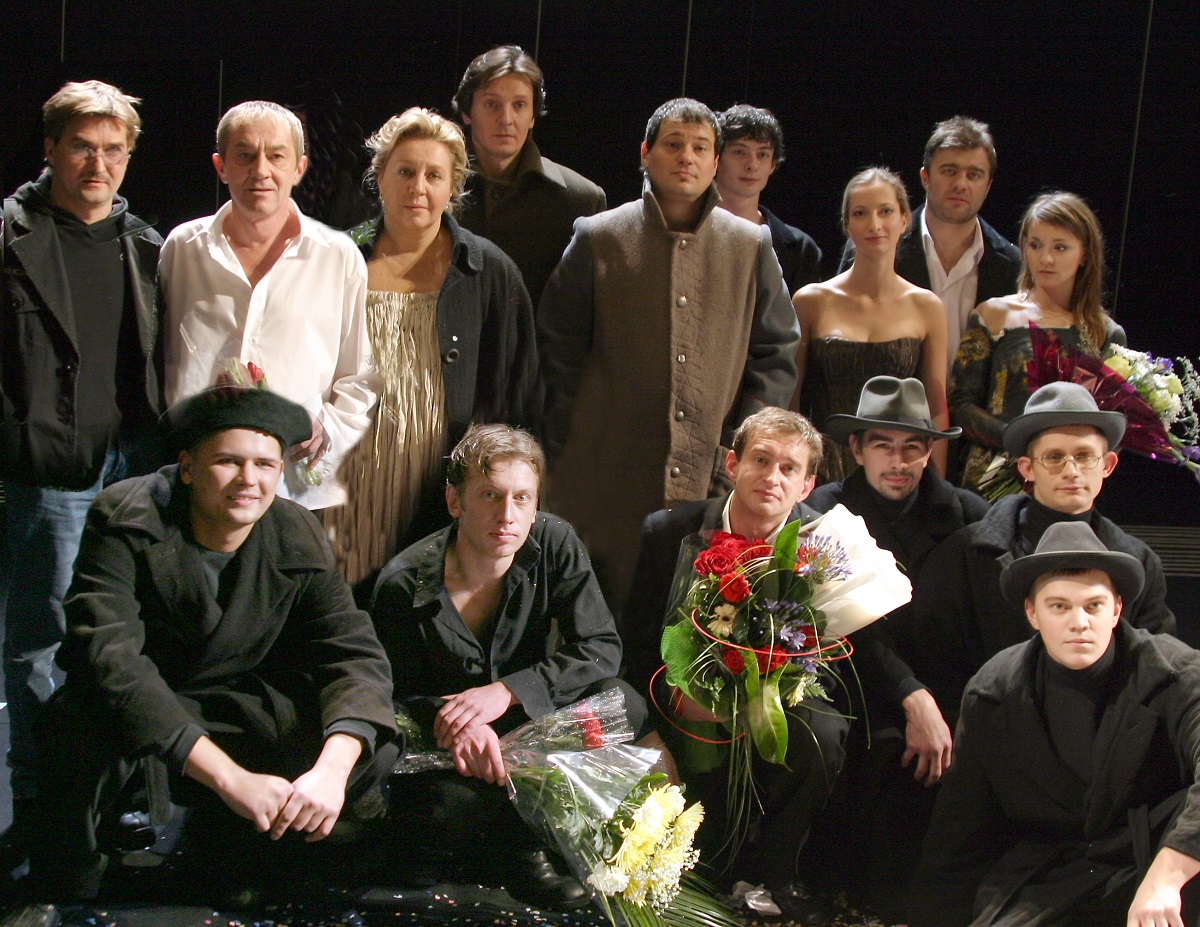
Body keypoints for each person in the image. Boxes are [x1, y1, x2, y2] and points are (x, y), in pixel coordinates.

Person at [29, 386, 398, 902]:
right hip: (147, 702)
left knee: (361, 740)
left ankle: (253, 858)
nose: (249, 480)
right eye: (229, 461)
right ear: (187, 467)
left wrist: (331, 771)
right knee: (77, 729)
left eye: (265, 465)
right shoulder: (127, 516)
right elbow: (111, 659)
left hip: (238, 701)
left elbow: (352, 651)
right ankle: (63, 892)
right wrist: (231, 780)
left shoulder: (295, 530)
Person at [538, 98, 799, 611]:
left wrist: (740, 449)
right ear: (646, 153)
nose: (687, 157)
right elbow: (557, 353)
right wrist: (582, 446)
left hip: (713, 474)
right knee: (608, 612)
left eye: (701, 148)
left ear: (716, 161)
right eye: (674, 144)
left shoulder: (750, 245)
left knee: (698, 620)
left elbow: (777, 354)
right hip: (609, 478)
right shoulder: (599, 236)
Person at [371, 424, 642, 910]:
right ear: (455, 501)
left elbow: (601, 646)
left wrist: (509, 691)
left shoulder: (554, 541)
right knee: (436, 802)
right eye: (490, 495)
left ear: (536, 507)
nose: (507, 516)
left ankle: (500, 831)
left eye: (522, 498)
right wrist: (458, 724)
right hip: (449, 741)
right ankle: (518, 843)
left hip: (528, 719)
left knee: (624, 703)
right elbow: (389, 695)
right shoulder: (403, 584)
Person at [0, 80, 165, 867]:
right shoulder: (10, 235)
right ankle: (42, 800)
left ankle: (119, 793)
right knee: (45, 637)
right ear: (50, 148)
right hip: (48, 469)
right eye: (81, 146)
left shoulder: (146, 243)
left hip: (133, 465)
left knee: (127, 630)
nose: (98, 163)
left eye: (113, 149)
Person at [910, 521, 1200, 927]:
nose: (1079, 622)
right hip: (1052, 877)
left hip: (1160, 863)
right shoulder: (995, 692)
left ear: (1117, 609)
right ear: (1033, 613)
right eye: (1059, 606)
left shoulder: (1175, 673)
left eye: (1093, 606)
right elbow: (959, 830)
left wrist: (1166, 878)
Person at [621, 408, 846, 916]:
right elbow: (636, 640)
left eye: (789, 468)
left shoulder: (822, 547)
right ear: (731, 463)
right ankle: (705, 862)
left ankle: (777, 873)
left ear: (807, 484)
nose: (772, 477)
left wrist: (772, 692)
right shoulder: (668, 532)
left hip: (780, 693)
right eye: (760, 460)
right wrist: (669, 699)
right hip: (686, 692)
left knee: (825, 731)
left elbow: (830, 654)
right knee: (705, 863)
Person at [324, 107, 538, 596]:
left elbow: (518, 398)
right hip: (343, 486)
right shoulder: (335, 259)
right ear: (380, 177)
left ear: (453, 186)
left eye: (434, 175)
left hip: (438, 493)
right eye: (405, 171)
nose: (418, 187)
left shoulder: (489, 272)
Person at [805, 376, 988, 916]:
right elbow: (842, 629)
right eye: (883, 445)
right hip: (857, 679)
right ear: (856, 448)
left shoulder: (967, 514)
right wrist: (912, 697)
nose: (898, 462)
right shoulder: (825, 510)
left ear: (930, 452)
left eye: (913, 447)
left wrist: (943, 706)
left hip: (947, 684)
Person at [912, 381, 1176, 737]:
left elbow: (1157, 671)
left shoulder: (1139, 564)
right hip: (992, 740)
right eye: (1054, 457)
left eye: (1084, 456)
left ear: (1108, 464)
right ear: (1026, 468)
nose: (1071, 470)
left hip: (1107, 746)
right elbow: (935, 663)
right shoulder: (965, 555)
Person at [159, 100, 377, 511]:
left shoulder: (337, 256)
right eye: (245, 156)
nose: (260, 170)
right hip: (197, 480)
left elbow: (360, 377)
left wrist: (327, 433)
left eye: (276, 156)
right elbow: (161, 358)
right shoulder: (182, 248)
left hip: (295, 488)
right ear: (221, 166)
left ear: (299, 167)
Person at [950, 190, 1126, 491]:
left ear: (1084, 254)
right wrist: (1021, 441)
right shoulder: (994, 315)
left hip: (1067, 485)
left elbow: (1114, 424)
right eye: (1035, 245)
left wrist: (1062, 459)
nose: (1045, 258)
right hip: (992, 479)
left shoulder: (1104, 332)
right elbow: (960, 403)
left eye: (1060, 247)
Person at [793, 167, 950, 482]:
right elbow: (791, 403)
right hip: (822, 471)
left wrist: (936, 485)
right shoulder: (811, 301)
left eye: (885, 211)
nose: (874, 224)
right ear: (847, 223)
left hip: (897, 470)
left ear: (904, 220)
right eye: (861, 213)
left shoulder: (927, 307)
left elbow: (936, 409)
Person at [839, 116, 1020, 369]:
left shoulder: (1012, 265)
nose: (961, 184)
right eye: (949, 171)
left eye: (974, 175)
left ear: (988, 186)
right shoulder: (876, 245)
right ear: (925, 177)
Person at [453, 45, 606, 308]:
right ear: (467, 112)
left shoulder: (581, 200)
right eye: (492, 105)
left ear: (533, 115)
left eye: (519, 105)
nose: (506, 119)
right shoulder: (430, 187)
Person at [715, 104, 822, 295]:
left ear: (772, 164)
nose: (752, 165)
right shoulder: (687, 230)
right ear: (717, 158)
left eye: (762, 154)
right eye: (739, 152)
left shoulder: (801, 249)